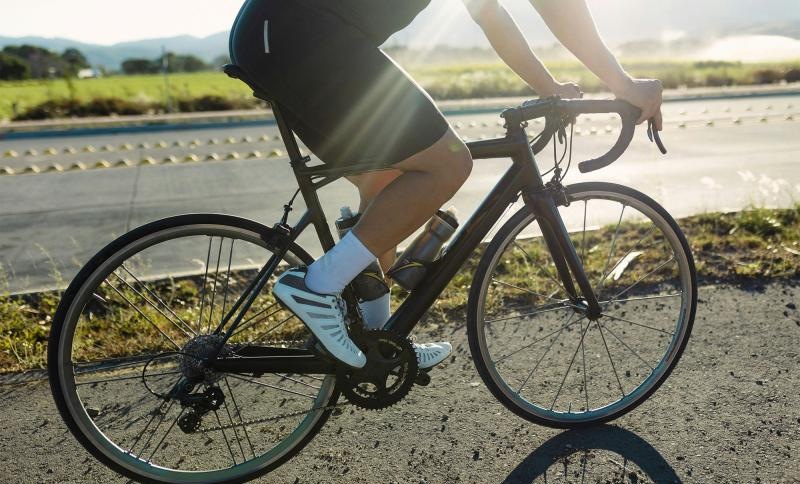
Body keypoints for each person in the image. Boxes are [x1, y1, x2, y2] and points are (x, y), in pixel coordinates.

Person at [229, 0, 664, 369]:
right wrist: (623, 84)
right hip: (301, 34)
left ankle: (378, 340)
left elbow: (489, 13)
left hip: (277, 34)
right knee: (448, 164)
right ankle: (317, 285)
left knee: (389, 179)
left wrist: (548, 88)